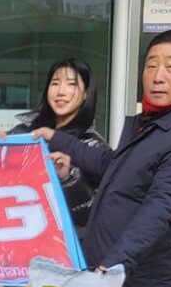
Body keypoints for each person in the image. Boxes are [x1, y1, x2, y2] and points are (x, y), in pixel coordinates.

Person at [31, 30, 171, 287]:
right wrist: (56, 138)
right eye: (151, 65)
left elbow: (159, 211)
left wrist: (111, 265)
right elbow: (111, 165)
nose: (158, 76)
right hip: (107, 278)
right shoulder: (150, 124)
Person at [7, 57, 107, 232]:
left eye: (71, 84)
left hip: (59, 242)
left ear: (86, 93)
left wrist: (68, 177)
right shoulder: (22, 132)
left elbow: (94, 215)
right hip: (14, 231)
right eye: (55, 83)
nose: (61, 91)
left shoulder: (94, 147)